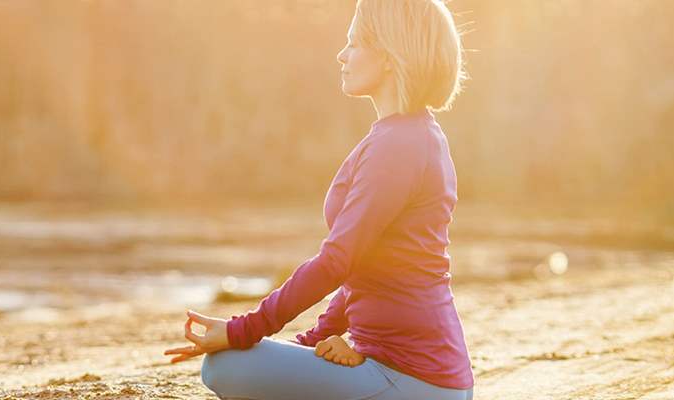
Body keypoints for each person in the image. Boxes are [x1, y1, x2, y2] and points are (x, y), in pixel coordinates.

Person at [164, 0, 473, 399]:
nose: (341, 55)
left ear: (389, 55)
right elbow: (366, 266)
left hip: (416, 381)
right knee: (249, 362)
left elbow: (336, 261)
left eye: (354, 43)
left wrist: (244, 328)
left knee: (225, 364)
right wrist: (316, 339)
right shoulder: (409, 136)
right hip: (413, 374)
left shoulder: (400, 144)